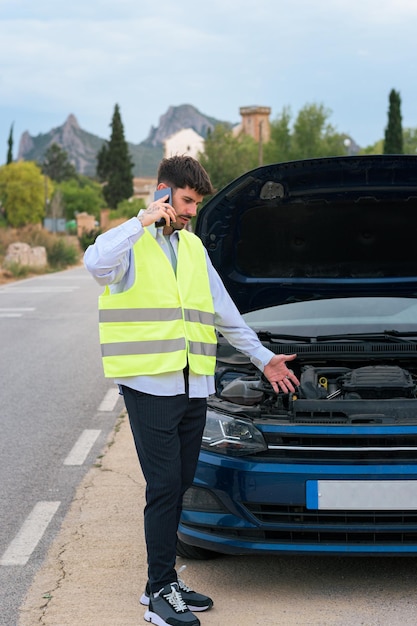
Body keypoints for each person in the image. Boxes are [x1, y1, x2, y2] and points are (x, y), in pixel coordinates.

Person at [84, 155, 300, 626]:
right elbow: (94, 263)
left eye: (197, 204)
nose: (190, 212)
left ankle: (160, 583)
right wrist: (140, 222)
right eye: (186, 201)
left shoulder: (195, 248)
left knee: (179, 486)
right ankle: (161, 594)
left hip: (192, 384)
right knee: (163, 487)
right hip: (149, 385)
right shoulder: (130, 244)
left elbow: (224, 314)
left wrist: (264, 359)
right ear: (162, 192)